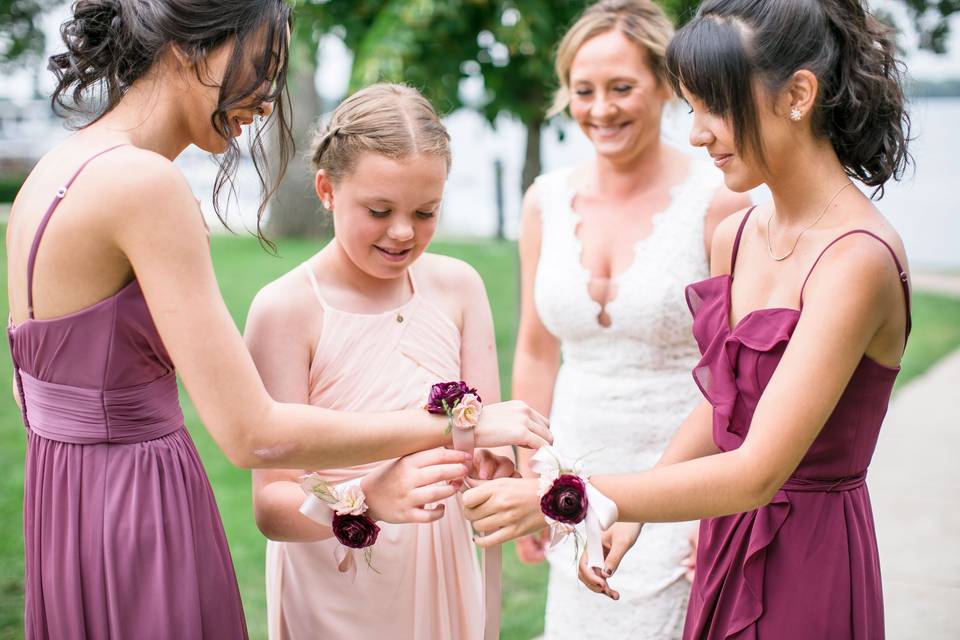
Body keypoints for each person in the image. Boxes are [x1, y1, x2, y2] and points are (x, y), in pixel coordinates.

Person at [4, 2, 549, 637]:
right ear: (193, 46)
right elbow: (253, 434)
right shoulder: (142, 183)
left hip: (67, 497)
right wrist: (457, 422)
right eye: (262, 65)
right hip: (133, 502)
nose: (267, 98)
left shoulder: (59, 167)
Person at [463, 0, 911, 638]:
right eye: (692, 107)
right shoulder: (740, 232)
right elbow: (724, 400)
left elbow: (758, 471)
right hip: (725, 527)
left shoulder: (857, 260)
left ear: (799, 95)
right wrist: (639, 509)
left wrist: (571, 496)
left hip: (808, 555)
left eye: (714, 107)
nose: (697, 133)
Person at [510, 1, 748, 637]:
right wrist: (527, 476)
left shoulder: (718, 201)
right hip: (573, 479)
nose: (601, 109)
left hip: (682, 485)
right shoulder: (545, 202)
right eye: (583, 90)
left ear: (665, 88)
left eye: (622, 88)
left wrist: (713, 511)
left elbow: (737, 374)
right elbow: (536, 350)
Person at [247, 83, 516, 640]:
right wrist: (366, 500)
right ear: (326, 190)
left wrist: (495, 463)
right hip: (334, 575)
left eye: (425, 212)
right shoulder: (286, 310)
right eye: (378, 210)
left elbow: (485, 437)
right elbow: (273, 504)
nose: (402, 232)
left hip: (438, 559)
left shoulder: (459, 288)